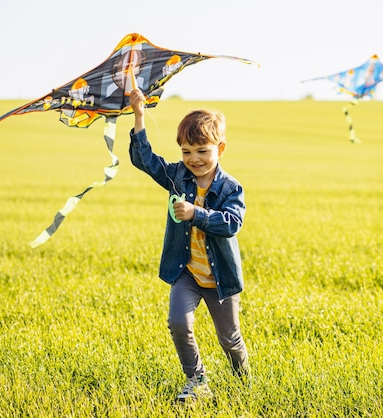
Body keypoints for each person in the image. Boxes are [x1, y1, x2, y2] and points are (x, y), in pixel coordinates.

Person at [128, 89, 249, 402]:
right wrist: (139, 115)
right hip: (187, 271)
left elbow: (232, 223)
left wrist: (197, 213)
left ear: (220, 149)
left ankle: (243, 381)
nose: (194, 159)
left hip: (219, 276)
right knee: (178, 323)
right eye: (187, 151)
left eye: (202, 151)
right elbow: (145, 160)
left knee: (230, 339)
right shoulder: (177, 177)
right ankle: (197, 381)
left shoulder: (230, 187)